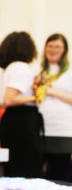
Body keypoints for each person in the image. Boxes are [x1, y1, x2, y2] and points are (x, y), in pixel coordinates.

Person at [0, 31, 44, 178]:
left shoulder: (5, 70)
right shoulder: (21, 67)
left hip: (9, 120)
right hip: (22, 121)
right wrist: (35, 98)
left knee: (13, 167)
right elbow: (10, 99)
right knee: (28, 168)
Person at [35, 33, 72, 181]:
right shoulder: (39, 72)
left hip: (61, 130)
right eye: (50, 46)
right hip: (39, 128)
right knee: (39, 174)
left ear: (64, 50)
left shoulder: (69, 73)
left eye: (57, 46)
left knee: (60, 172)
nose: (53, 49)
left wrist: (51, 91)